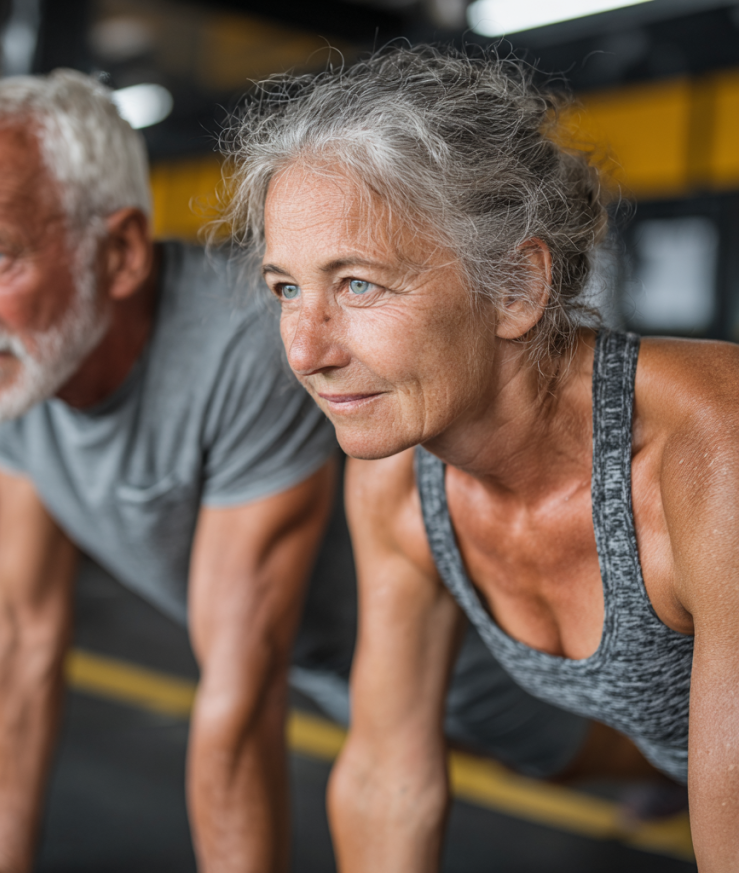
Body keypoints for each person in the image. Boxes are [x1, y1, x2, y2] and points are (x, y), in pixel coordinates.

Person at [219, 46, 739, 871]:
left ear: (514, 288)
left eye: (355, 284)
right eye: (286, 288)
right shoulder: (397, 486)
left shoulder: (711, 454)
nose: (304, 350)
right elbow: (388, 776)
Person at [0, 69, 339, 873]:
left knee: (613, 745)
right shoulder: (24, 358)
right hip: (328, 670)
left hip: (488, 664)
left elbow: (239, 694)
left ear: (120, 251)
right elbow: (19, 620)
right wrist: (0, 856)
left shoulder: (246, 343)